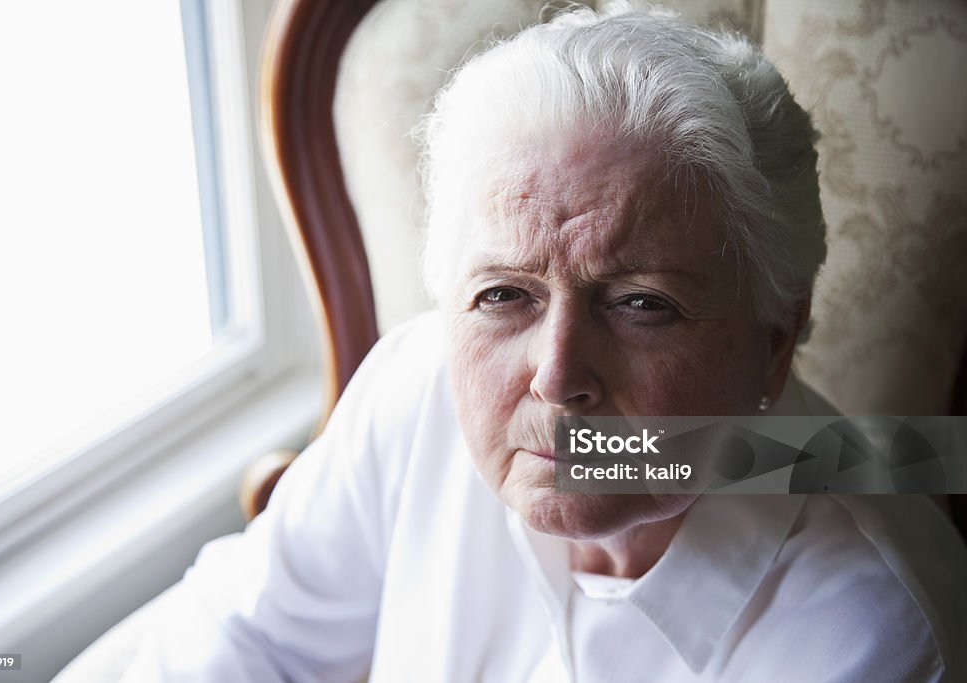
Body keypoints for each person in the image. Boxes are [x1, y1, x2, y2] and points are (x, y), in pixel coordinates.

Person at [126, 5, 966, 681]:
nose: (557, 376)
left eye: (641, 303)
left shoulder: (879, 631)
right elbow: (237, 640)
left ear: (775, 340)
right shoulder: (418, 385)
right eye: (502, 295)